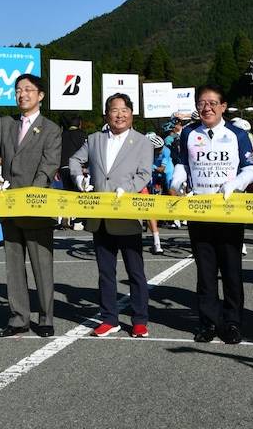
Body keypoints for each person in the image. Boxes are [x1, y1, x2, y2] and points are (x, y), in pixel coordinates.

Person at [171, 84, 253, 344]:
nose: (206, 108)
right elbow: (183, 163)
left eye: (212, 103)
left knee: (231, 270)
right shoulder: (189, 132)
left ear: (223, 107)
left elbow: (250, 169)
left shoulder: (237, 134)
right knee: (205, 271)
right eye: (201, 103)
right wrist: (177, 180)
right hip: (198, 209)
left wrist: (235, 184)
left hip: (229, 210)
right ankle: (208, 323)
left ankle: (232, 323)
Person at [0, 74, 62, 338]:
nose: (22, 94)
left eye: (28, 89)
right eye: (18, 90)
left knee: (42, 266)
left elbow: (48, 167)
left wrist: (29, 197)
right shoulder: (5, 123)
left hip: (36, 208)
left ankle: (46, 318)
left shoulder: (51, 129)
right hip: (8, 206)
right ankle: (18, 318)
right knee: (13, 266)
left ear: (41, 95)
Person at [69, 93, 153, 337]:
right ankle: (109, 318)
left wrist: (126, 189)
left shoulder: (142, 142)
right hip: (100, 217)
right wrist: (79, 179)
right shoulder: (94, 139)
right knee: (105, 272)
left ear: (132, 113)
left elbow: (144, 174)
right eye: (114, 110)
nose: (120, 115)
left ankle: (140, 320)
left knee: (135, 272)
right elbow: (74, 160)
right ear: (107, 114)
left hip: (127, 215)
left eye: (124, 110)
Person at [58, 114, 87, 229]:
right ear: (79, 124)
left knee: (67, 193)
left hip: (63, 167)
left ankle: (66, 215)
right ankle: (78, 221)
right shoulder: (82, 135)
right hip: (78, 168)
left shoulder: (62, 135)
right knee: (80, 194)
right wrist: (85, 167)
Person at [145, 131, 172, 255]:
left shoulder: (166, 151)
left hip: (161, 174)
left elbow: (161, 169)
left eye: (161, 148)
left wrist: (152, 167)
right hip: (145, 177)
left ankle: (157, 242)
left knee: (150, 211)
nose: (160, 150)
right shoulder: (144, 152)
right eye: (158, 149)